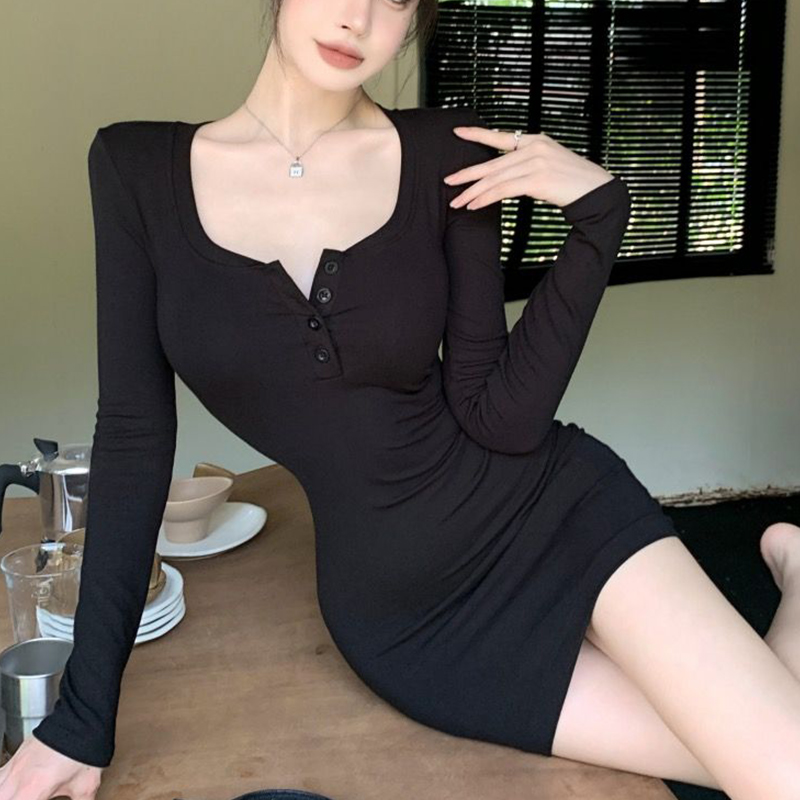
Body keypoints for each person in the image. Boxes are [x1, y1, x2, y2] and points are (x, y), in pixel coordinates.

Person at [3, 1, 800, 798]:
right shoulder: (135, 170)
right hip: (409, 625)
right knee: (758, 753)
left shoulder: (447, 150)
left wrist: (600, 220)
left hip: (553, 512)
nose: (358, 17)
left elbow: (500, 417)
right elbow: (135, 436)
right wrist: (82, 719)